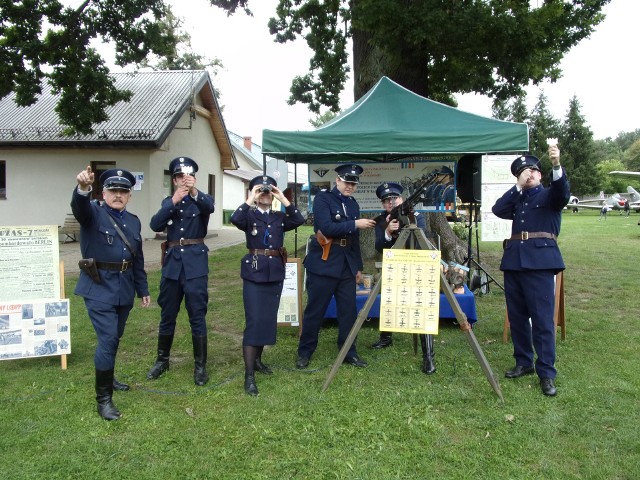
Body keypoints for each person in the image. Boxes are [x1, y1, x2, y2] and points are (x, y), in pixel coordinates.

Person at [72, 166, 151, 420]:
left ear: (129, 195)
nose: (118, 195)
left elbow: (136, 258)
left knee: (114, 337)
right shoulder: (93, 213)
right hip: (98, 286)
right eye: (112, 190)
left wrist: (143, 289)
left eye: (123, 191)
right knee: (107, 340)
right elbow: (79, 208)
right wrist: (83, 188)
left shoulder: (133, 221)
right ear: (103, 192)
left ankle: (109, 375)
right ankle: (103, 400)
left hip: (124, 288)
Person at [491, 146, 569, 397]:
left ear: (540, 175)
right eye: (524, 172)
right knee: (517, 316)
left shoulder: (549, 195)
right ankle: (523, 361)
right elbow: (498, 209)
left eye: (533, 170)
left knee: (543, 320)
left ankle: (546, 372)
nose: (529, 174)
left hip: (540, 262)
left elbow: (562, 193)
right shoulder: (518, 199)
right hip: (514, 261)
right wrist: (516, 187)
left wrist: (557, 165)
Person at [296, 165, 376, 370]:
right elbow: (326, 228)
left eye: (353, 183)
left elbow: (355, 240)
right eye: (347, 182)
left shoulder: (353, 205)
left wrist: (358, 266)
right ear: (337, 180)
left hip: (347, 265)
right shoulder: (323, 199)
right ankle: (304, 352)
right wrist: (355, 224)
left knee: (348, 311)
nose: (350, 186)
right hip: (324, 262)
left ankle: (349, 351)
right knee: (315, 310)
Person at [230, 176, 305, 395]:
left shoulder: (279, 217)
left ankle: (259, 361)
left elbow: (299, 219)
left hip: (274, 273)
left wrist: (282, 197)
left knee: (267, 318)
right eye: (260, 190)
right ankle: (249, 375)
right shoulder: (249, 214)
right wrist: (250, 198)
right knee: (254, 320)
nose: (264, 194)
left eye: (267, 191)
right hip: (254, 272)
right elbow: (235, 218)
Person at [147, 157, 215, 386]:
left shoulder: (202, 201)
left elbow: (210, 207)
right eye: (178, 176)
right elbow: (155, 225)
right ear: (173, 180)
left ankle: (200, 366)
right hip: (173, 266)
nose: (183, 180)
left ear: (194, 178)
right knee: (167, 314)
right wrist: (174, 200)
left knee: (197, 315)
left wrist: (193, 191)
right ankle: (162, 360)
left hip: (195, 265)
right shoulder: (169, 202)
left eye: (187, 176)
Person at [369, 182, 436, 374]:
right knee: (388, 302)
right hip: (394, 267)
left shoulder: (416, 217)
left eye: (394, 199)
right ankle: (386, 337)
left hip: (417, 268)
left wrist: (406, 225)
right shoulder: (381, 221)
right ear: (383, 205)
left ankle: (428, 356)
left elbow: (422, 241)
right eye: (386, 201)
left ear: (401, 199)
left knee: (422, 308)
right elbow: (379, 247)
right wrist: (388, 232)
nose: (390, 203)